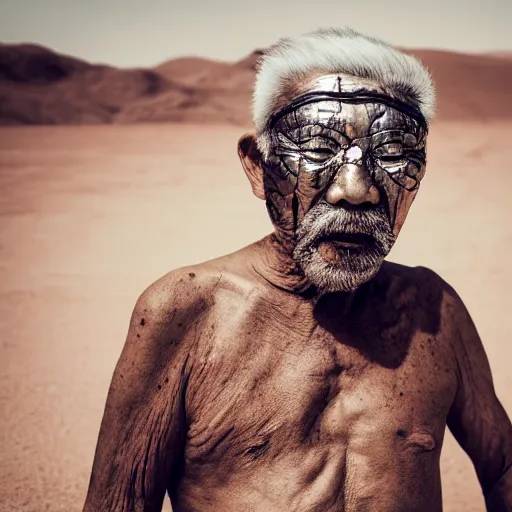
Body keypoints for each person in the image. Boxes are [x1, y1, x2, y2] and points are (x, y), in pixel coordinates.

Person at [83, 28, 512, 512]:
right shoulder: (186, 315)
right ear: (257, 166)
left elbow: (504, 467)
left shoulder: (433, 312)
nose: (356, 190)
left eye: (392, 155)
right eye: (318, 148)